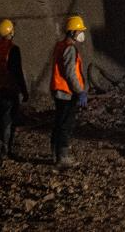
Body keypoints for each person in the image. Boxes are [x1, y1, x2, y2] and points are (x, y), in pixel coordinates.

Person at [0, 19, 29, 164]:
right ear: (10, 31)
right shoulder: (13, 49)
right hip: (9, 90)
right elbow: (17, 72)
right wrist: (24, 91)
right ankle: (4, 151)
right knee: (7, 121)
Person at [50, 15, 88, 167]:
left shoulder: (60, 45)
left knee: (59, 122)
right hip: (67, 92)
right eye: (79, 30)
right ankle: (63, 157)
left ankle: (55, 153)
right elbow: (70, 73)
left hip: (59, 90)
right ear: (72, 32)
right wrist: (80, 91)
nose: (81, 33)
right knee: (66, 124)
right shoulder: (70, 49)